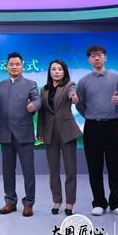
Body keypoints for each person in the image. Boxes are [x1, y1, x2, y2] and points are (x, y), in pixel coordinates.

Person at [76, 45, 118, 217]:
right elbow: (79, 105)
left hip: (114, 126)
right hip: (92, 127)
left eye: (99, 55)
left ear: (105, 57)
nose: (96, 58)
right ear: (89, 60)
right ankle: (99, 202)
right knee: (94, 167)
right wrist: (91, 116)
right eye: (92, 56)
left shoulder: (117, 78)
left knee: (116, 166)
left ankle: (117, 203)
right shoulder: (83, 81)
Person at [0, 52, 41, 217]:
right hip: (5, 134)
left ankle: (29, 203)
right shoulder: (0, 86)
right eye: (11, 64)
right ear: (6, 67)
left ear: (22, 66)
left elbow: (38, 100)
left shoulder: (30, 84)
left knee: (28, 171)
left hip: (24, 134)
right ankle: (10, 201)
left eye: (17, 64)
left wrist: (33, 106)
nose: (14, 67)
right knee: (7, 171)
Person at [37, 59, 82, 216]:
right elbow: (42, 113)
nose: (56, 72)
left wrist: (74, 97)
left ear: (64, 72)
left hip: (67, 132)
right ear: (49, 72)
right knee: (53, 170)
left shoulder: (69, 85)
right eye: (54, 69)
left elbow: (72, 93)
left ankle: (70, 202)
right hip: (49, 133)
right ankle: (57, 200)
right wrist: (40, 132)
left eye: (60, 69)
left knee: (70, 170)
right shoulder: (43, 90)